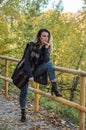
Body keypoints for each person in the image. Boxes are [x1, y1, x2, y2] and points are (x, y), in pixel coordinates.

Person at [20, 28, 62, 122]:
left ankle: (55, 87)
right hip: (25, 72)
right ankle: (23, 114)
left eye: (47, 36)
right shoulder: (31, 45)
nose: (46, 38)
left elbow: (46, 62)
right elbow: (26, 61)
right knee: (24, 92)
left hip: (36, 72)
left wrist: (46, 49)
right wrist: (30, 75)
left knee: (50, 64)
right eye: (44, 36)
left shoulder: (45, 48)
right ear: (39, 36)